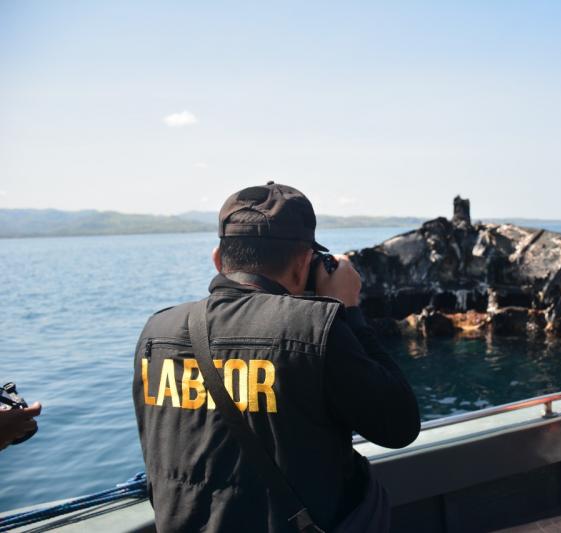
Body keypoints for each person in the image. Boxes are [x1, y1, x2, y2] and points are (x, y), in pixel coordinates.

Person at [133, 182, 421, 532]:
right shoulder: (315, 326)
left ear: (218, 259)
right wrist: (348, 311)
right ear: (304, 265)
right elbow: (400, 426)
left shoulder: (157, 330)